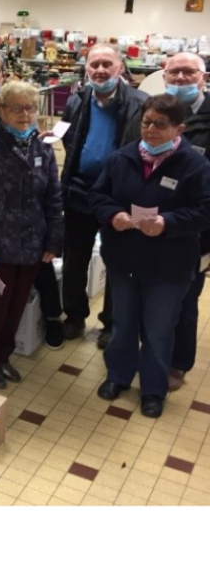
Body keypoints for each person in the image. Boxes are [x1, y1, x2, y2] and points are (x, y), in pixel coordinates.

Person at [89, 95, 210, 418]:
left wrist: (168, 223)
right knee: (123, 324)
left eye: (161, 124)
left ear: (179, 128)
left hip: (168, 266)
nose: (151, 130)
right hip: (124, 260)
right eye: (146, 122)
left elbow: (204, 210)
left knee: (158, 330)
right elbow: (98, 195)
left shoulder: (195, 165)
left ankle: (153, 390)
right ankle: (118, 377)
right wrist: (113, 215)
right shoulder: (122, 158)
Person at [0, 82, 64, 389]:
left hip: (31, 245)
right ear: (1, 111)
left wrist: (53, 241)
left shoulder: (43, 148)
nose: (24, 114)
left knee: (16, 306)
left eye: (30, 108)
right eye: (16, 108)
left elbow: (54, 198)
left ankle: (2, 357)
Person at [60, 44, 146, 345]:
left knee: (118, 262)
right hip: (79, 193)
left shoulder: (140, 103)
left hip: (118, 198)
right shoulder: (77, 100)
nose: (99, 70)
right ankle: (73, 316)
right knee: (74, 259)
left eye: (106, 64)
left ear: (120, 67)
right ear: (86, 68)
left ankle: (111, 323)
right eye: (94, 64)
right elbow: (70, 138)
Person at [155, 53, 208, 391]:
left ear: (203, 76)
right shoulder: (157, 111)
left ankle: (178, 363)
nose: (181, 77)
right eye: (174, 71)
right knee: (157, 295)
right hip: (154, 225)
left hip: (198, 231)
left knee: (186, 299)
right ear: (164, 75)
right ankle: (155, 351)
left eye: (189, 71)